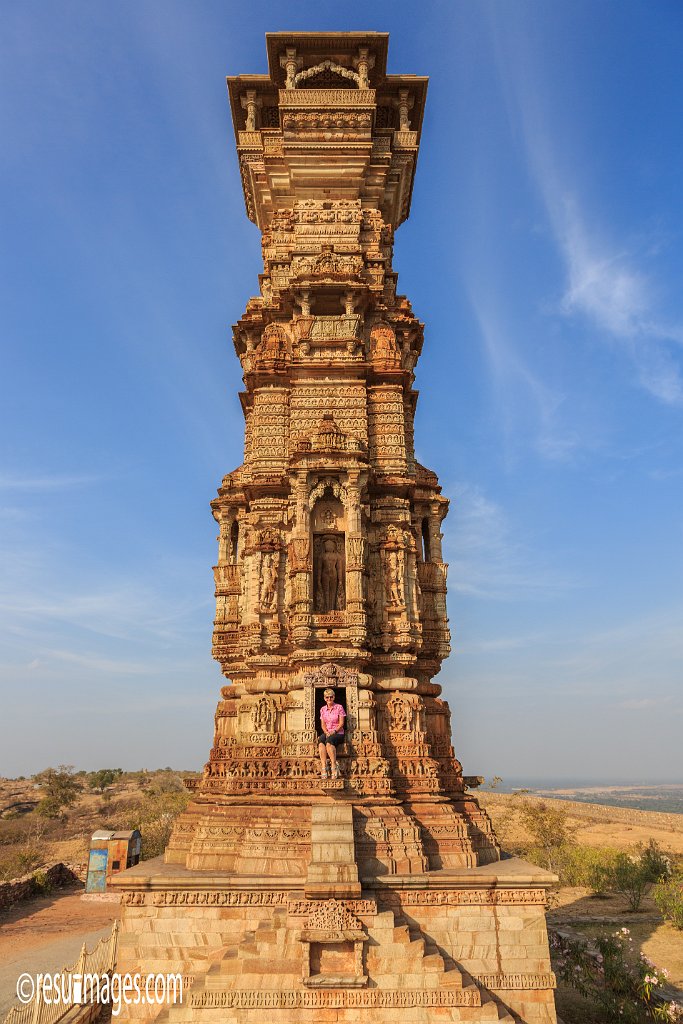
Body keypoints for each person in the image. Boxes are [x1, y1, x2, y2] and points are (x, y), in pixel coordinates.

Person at [318, 688, 346, 779]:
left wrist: (334, 731)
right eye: (327, 697)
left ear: (334, 697)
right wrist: (326, 732)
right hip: (328, 731)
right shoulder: (322, 709)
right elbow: (322, 724)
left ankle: (334, 766)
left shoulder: (339, 707)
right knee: (321, 741)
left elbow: (341, 723)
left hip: (338, 732)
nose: (329, 699)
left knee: (329, 742)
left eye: (331, 697)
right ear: (324, 698)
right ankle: (324, 767)